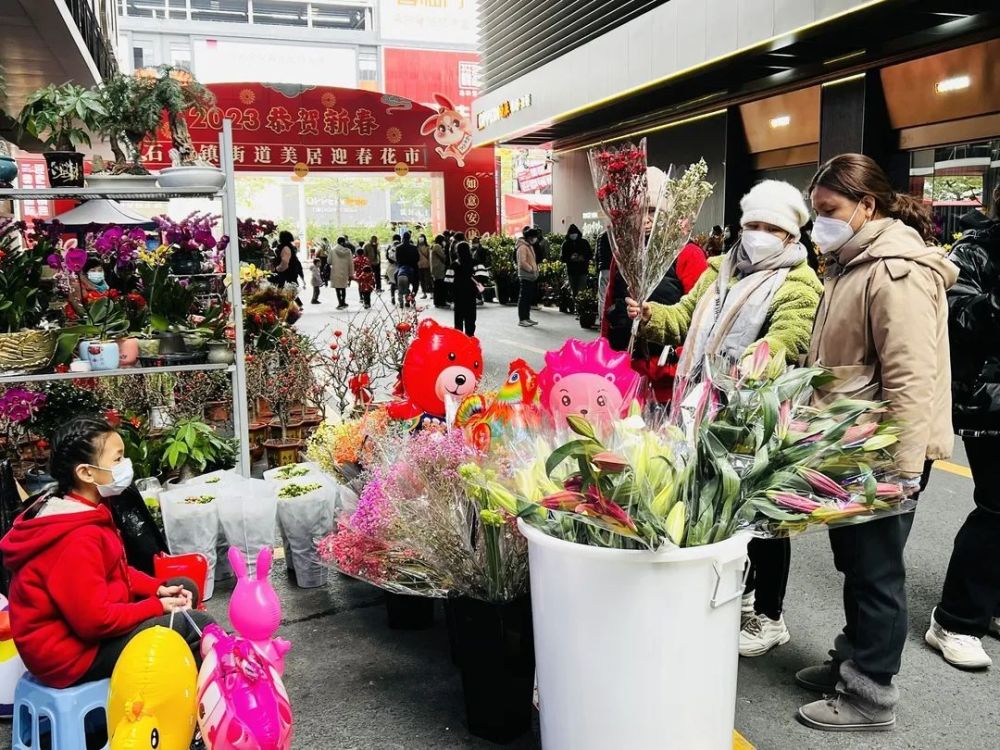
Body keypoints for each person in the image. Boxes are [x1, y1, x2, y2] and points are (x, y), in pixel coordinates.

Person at [791, 153, 957, 732]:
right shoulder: (850, 263)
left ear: (866, 206)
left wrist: (906, 468)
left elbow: (912, 376)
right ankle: (852, 659)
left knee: (877, 570)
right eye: (815, 212)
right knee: (856, 563)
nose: (820, 224)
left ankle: (871, 694)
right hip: (852, 442)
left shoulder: (896, 272)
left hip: (885, 450)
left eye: (829, 210)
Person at [626, 180, 822, 652]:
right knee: (717, 505)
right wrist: (650, 314)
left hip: (754, 413)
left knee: (760, 514)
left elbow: (789, 337)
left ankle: (771, 616)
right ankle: (745, 594)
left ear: (791, 235)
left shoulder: (800, 281)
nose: (757, 234)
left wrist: (753, 364)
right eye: (751, 224)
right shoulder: (719, 269)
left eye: (769, 227)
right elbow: (683, 318)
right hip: (701, 404)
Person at [0, 416, 215, 688]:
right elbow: (95, 622)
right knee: (196, 624)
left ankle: (164, 678)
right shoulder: (76, 536)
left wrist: (158, 589)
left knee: (182, 587)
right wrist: (155, 606)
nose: (126, 466)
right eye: (117, 459)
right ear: (86, 473)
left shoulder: (87, 510)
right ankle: (190, 714)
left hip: (87, 633)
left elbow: (115, 569)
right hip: (73, 657)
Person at [925, 184, 1000, 670]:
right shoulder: (974, 250)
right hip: (988, 403)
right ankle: (955, 619)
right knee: (997, 507)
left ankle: (989, 602)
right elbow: (957, 319)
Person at [447, 241, 488, 336]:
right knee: (470, 320)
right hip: (471, 296)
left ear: (457, 251)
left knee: (458, 321)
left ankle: (460, 342)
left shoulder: (454, 265)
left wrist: (452, 295)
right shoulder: (476, 263)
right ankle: (470, 338)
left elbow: (448, 282)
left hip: (458, 297)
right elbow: (484, 277)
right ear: (468, 250)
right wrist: (476, 289)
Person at [561, 223, 594, 304]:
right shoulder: (566, 244)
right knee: (574, 289)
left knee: (581, 288)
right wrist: (570, 258)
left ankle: (581, 305)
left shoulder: (584, 242)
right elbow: (562, 258)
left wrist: (582, 257)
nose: (573, 235)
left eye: (574, 233)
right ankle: (576, 305)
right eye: (571, 234)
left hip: (582, 269)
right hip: (571, 270)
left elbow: (590, 254)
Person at [272, 230, 304, 304]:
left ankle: (297, 307)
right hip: (291, 274)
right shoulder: (289, 247)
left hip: (287, 275)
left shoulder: (285, 248)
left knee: (288, 293)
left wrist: (277, 269)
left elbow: (285, 263)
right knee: (291, 293)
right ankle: (297, 306)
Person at [517, 228, 540, 327]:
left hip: (530, 276)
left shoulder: (529, 246)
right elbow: (522, 262)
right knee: (524, 298)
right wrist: (531, 269)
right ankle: (522, 319)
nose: (535, 239)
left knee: (527, 298)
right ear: (529, 237)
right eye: (534, 237)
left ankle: (527, 317)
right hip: (526, 275)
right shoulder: (522, 247)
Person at [395, 231, 420, 309]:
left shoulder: (398, 247)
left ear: (402, 238)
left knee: (395, 275)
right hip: (413, 267)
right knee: (415, 284)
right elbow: (417, 258)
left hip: (401, 267)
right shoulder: (414, 247)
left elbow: (397, 259)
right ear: (409, 238)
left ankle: (398, 287)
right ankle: (412, 297)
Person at [330, 237, 354, 310]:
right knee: (343, 288)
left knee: (337, 288)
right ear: (343, 242)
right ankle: (343, 302)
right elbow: (350, 263)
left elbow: (329, 261)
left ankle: (340, 302)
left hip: (335, 271)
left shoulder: (332, 250)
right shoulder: (348, 251)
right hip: (345, 271)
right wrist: (351, 273)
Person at [430, 234, 450, 309]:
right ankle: (441, 302)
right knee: (440, 286)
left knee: (437, 286)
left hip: (435, 269)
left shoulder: (433, 246)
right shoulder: (437, 246)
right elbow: (443, 256)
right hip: (439, 269)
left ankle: (438, 302)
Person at [597, 229, 613, 320]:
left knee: (603, 296)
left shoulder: (602, 236)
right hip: (617, 269)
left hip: (604, 269)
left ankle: (602, 319)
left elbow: (597, 254)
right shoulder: (620, 234)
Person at [385, 234, 401, 305]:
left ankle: (392, 297)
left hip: (391, 267)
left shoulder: (389, 246)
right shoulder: (401, 245)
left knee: (392, 283)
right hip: (399, 266)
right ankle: (400, 298)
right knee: (400, 283)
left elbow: (387, 257)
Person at [417, 234, 432, 299]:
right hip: (419, 266)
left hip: (427, 265)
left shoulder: (428, 247)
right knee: (422, 280)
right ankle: (424, 293)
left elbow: (430, 257)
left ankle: (431, 293)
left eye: (422, 238)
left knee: (428, 280)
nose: (421, 239)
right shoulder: (417, 247)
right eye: (420, 238)